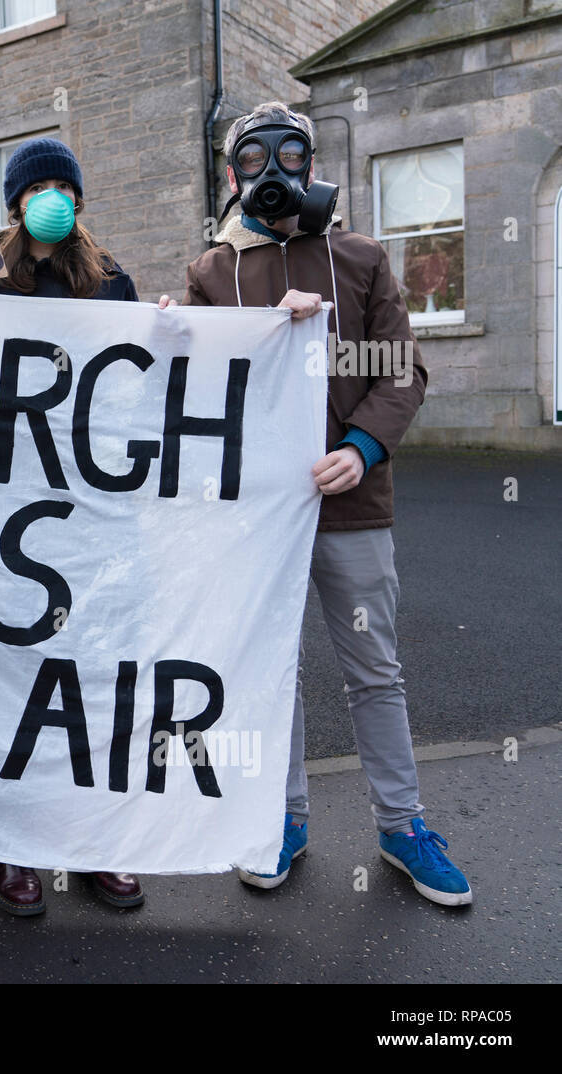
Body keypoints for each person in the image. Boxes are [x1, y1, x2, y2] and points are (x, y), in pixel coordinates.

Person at [180, 101, 471, 906]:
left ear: (312, 166)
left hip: (351, 507)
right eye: (252, 159)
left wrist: (362, 447)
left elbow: (402, 372)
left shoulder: (363, 258)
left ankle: (403, 827)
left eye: (289, 155)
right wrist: (170, 337)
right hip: (261, 518)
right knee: (272, 673)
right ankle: (283, 818)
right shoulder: (210, 272)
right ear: (232, 176)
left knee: (376, 673)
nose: (271, 173)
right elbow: (199, 390)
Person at [0, 136, 168, 917]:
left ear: (80, 199)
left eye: (64, 186)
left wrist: (172, 331)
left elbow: (139, 381)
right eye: (36, 186)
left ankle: (96, 842)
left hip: (95, 509)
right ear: (15, 201)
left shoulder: (113, 283)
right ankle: (13, 849)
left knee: (93, 678)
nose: (52, 196)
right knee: (14, 677)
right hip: (10, 507)